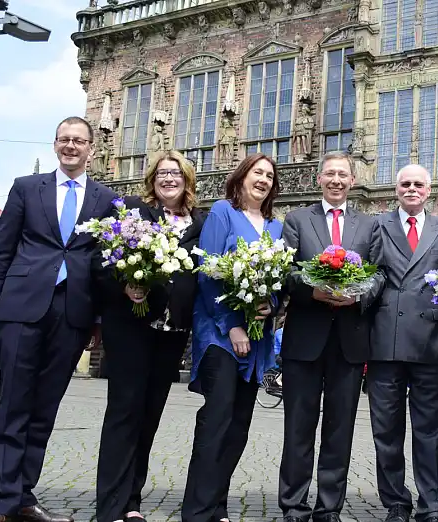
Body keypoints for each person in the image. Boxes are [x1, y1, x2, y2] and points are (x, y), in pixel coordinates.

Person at [0, 116, 117, 522]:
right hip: (22, 306)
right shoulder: (26, 187)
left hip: (72, 312)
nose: (71, 146)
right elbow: (1, 251)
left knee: (44, 409)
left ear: (92, 148)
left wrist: (100, 320)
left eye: (79, 141)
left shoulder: (105, 199)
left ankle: (24, 496)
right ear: (56, 144)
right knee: (14, 404)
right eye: (64, 140)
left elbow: (103, 265)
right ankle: (3, 502)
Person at [95, 151, 205, 522]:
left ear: (187, 180)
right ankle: (111, 506)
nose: (168, 178)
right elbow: (102, 260)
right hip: (132, 329)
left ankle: (132, 499)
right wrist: (126, 284)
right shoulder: (133, 213)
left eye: (176, 173)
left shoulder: (200, 223)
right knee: (124, 413)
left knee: (150, 416)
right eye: (162, 173)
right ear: (152, 180)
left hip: (173, 334)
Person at [278, 151, 384, 522]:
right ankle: (293, 505)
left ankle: (329, 508)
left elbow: (379, 275)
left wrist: (358, 295)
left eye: (343, 175)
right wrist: (313, 291)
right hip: (305, 337)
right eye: (330, 174)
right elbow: (286, 272)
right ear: (318, 179)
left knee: (339, 430)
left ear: (352, 181)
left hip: (349, 340)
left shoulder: (369, 226)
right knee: (299, 427)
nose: (336, 180)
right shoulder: (297, 220)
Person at [180, 153, 282, 522]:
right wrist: (232, 325)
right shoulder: (223, 212)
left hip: (256, 340)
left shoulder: (275, 227)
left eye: (270, 176)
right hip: (220, 335)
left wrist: (270, 304)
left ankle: (217, 505)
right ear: (242, 177)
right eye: (258, 172)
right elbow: (207, 271)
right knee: (217, 417)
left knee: (239, 426)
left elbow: (277, 283)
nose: (264, 180)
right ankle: (196, 511)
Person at [367, 164, 438, 522]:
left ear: (429, 190)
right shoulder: (378, 226)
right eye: (405, 184)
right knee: (386, 429)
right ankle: (396, 502)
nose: (412, 189)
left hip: (430, 343)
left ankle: (432, 504)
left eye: (418, 184)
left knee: (430, 429)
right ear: (396, 190)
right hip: (386, 340)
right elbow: (371, 274)